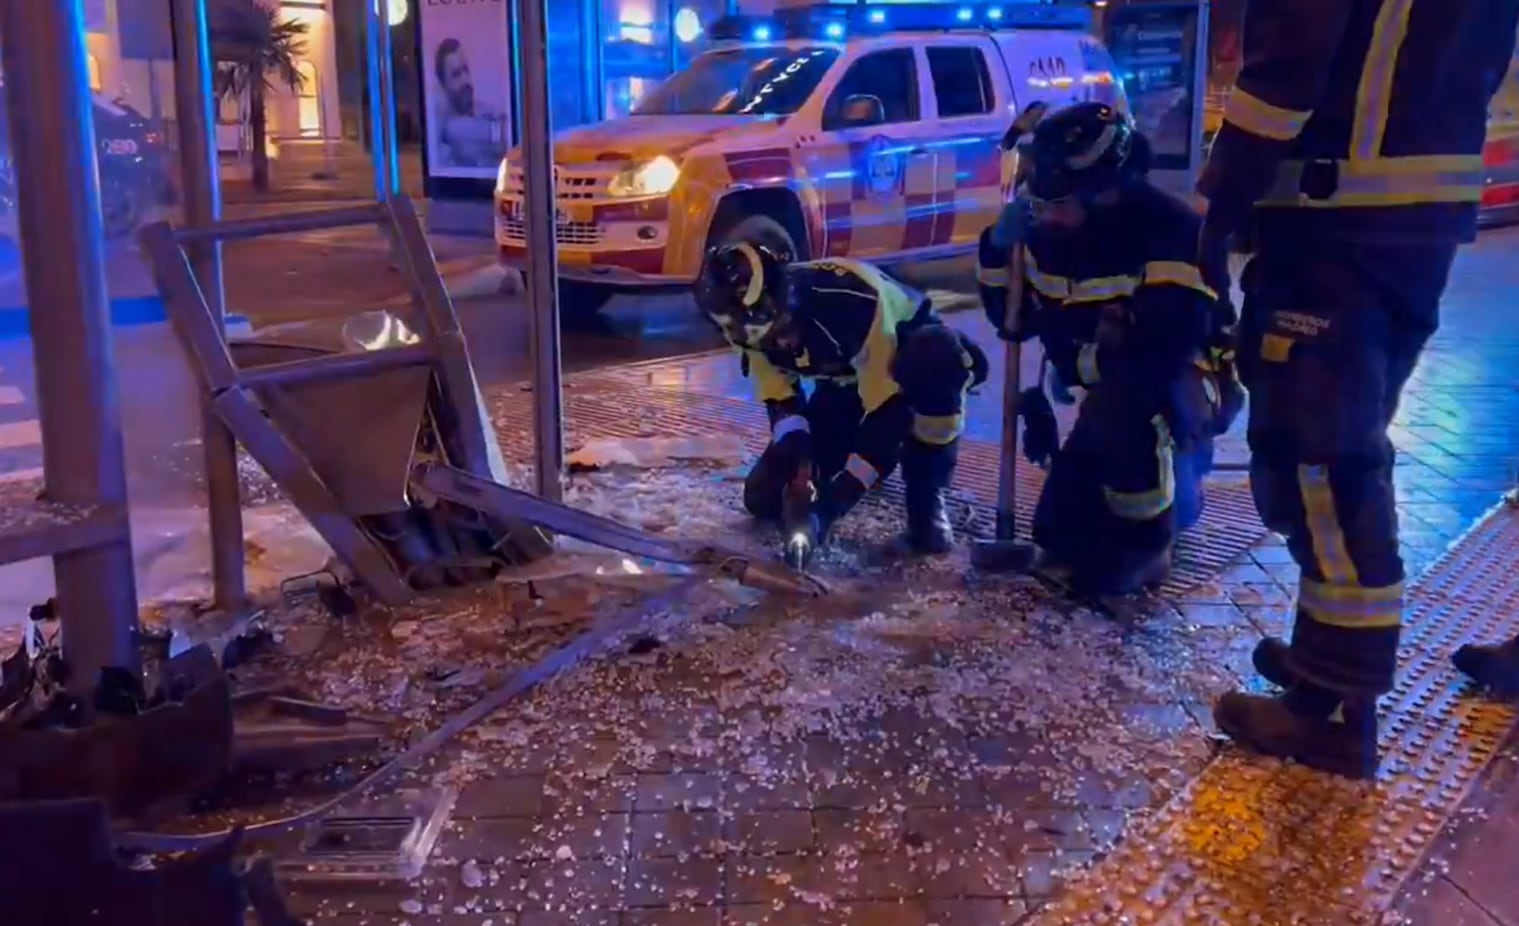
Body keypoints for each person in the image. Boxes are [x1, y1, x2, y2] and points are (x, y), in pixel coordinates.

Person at [1198, 0, 1519, 778]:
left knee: (1321, 465)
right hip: (1409, 222)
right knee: (1339, 452)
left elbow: (1288, 65)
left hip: (1336, 223)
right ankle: (1322, 661)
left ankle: (1337, 705)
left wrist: (1213, 208)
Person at [977, 102, 1240, 595]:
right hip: (1106, 392)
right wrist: (995, 247)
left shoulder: (1173, 234)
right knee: (1056, 534)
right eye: (1043, 202)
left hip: (1184, 385)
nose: (1050, 215)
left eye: (1063, 203)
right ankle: (1133, 501)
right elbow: (1009, 320)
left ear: (1109, 193)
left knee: (1127, 416)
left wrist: (1080, 364)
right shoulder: (1044, 233)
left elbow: (1161, 354)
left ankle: (1151, 545)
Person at [697, 243, 988, 560]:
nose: (780, 344)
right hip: (845, 384)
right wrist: (799, 461)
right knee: (764, 499)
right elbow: (782, 400)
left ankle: (927, 497)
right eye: (766, 340)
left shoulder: (852, 302)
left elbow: (888, 418)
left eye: (781, 330)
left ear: (786, 303)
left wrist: (830, 507)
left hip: (908, 368)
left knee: (931, 357)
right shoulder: (739, 322)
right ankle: (849, 466)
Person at [432, 38, 506, 169]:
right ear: (443, 85)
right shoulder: (439, 132)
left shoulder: (490, 112)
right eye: (456, 75)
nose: (465, 79)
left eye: (466, 70)